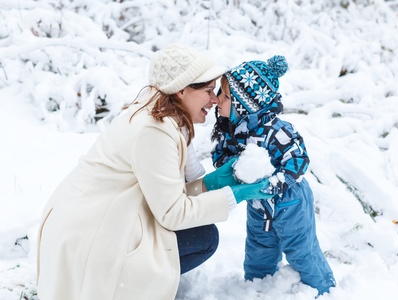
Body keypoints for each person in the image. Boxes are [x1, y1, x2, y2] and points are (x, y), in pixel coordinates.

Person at [36, 44, 272, 300]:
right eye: (208, 91)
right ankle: (126, 289)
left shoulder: (156, 115)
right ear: (181, 90)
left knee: (200, 234)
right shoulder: (154, 131)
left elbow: (162, 193)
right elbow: (172, 213)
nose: (215, 100)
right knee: (204, 237)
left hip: (95, 224)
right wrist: (232, 196)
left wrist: (208, 185)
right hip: (90, 240)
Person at [211, 55, 336, 296]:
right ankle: (257, 289)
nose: (218, 100)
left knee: (302, 251)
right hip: (258, 206)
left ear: (245, 104)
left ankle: (324, 289)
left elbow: (298, 159)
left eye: (225, 96)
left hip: (291, 203)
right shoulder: (232, 132)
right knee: (258, 251)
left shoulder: (276, 131)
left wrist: (275, 183)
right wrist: (233, 168)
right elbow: (221, 157)